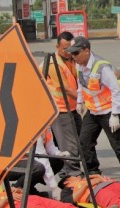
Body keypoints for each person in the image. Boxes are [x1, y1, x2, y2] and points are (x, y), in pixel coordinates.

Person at [65, 36, 120, 184]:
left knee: (119, 145)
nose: (73, 57)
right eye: (72, 53)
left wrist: (115, 114)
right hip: (93, 112)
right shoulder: (79, 65)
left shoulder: (102, 66)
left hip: (109, 111)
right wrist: (79, 102)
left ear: (86, 50)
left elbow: (116, 90)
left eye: (76, 53)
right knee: (85, 142)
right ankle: (93, 173)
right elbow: (81, 86)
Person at [40, 31, 82, 178]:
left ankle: (67, 170)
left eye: (69, 49)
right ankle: (72, 173)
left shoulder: (71, 60)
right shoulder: (54, 63)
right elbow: (65, 88)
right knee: (69, 144)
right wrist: (85, 100)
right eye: (63, 48)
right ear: (57, 46)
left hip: (70, 107)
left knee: (78, 139)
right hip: (60, 109)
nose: (66, 52)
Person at [35, 127, 71, 200]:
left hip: (34, 159)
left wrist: (59, 154)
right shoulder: (36, 128)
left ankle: (29, 189)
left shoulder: (46, 126)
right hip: (16, 163)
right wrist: (54, 187)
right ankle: (18, 187)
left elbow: (50, 147)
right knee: (39, 168)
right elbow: (42, 159)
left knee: (58, 161)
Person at [0, 187, 77, 208]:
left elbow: (24, 191)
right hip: (22, 205)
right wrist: (7, 198)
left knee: (66, 206)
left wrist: (18, 190)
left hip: (33, 199)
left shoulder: (5, 191)